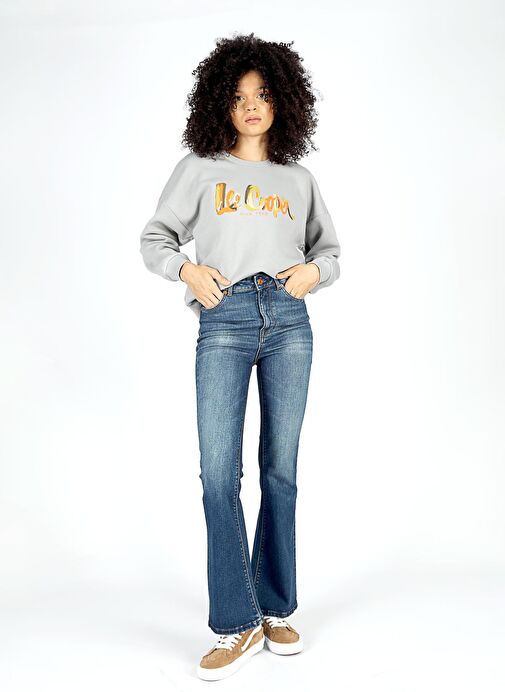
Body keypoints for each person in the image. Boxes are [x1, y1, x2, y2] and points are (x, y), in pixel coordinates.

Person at [139, 32, 341, 681]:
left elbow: (329, 253)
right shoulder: (199, 169)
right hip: (224, 320)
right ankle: (235, 622)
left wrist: (313, 273)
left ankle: (275, 608)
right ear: (219, 104)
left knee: (281, 470)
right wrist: (187, 271)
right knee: (217, 474)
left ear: (283, 102)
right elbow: (155, 237)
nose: (251, 106)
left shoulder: (298, 180)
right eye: (237, 96)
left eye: (262, 94)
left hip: (288, 321)